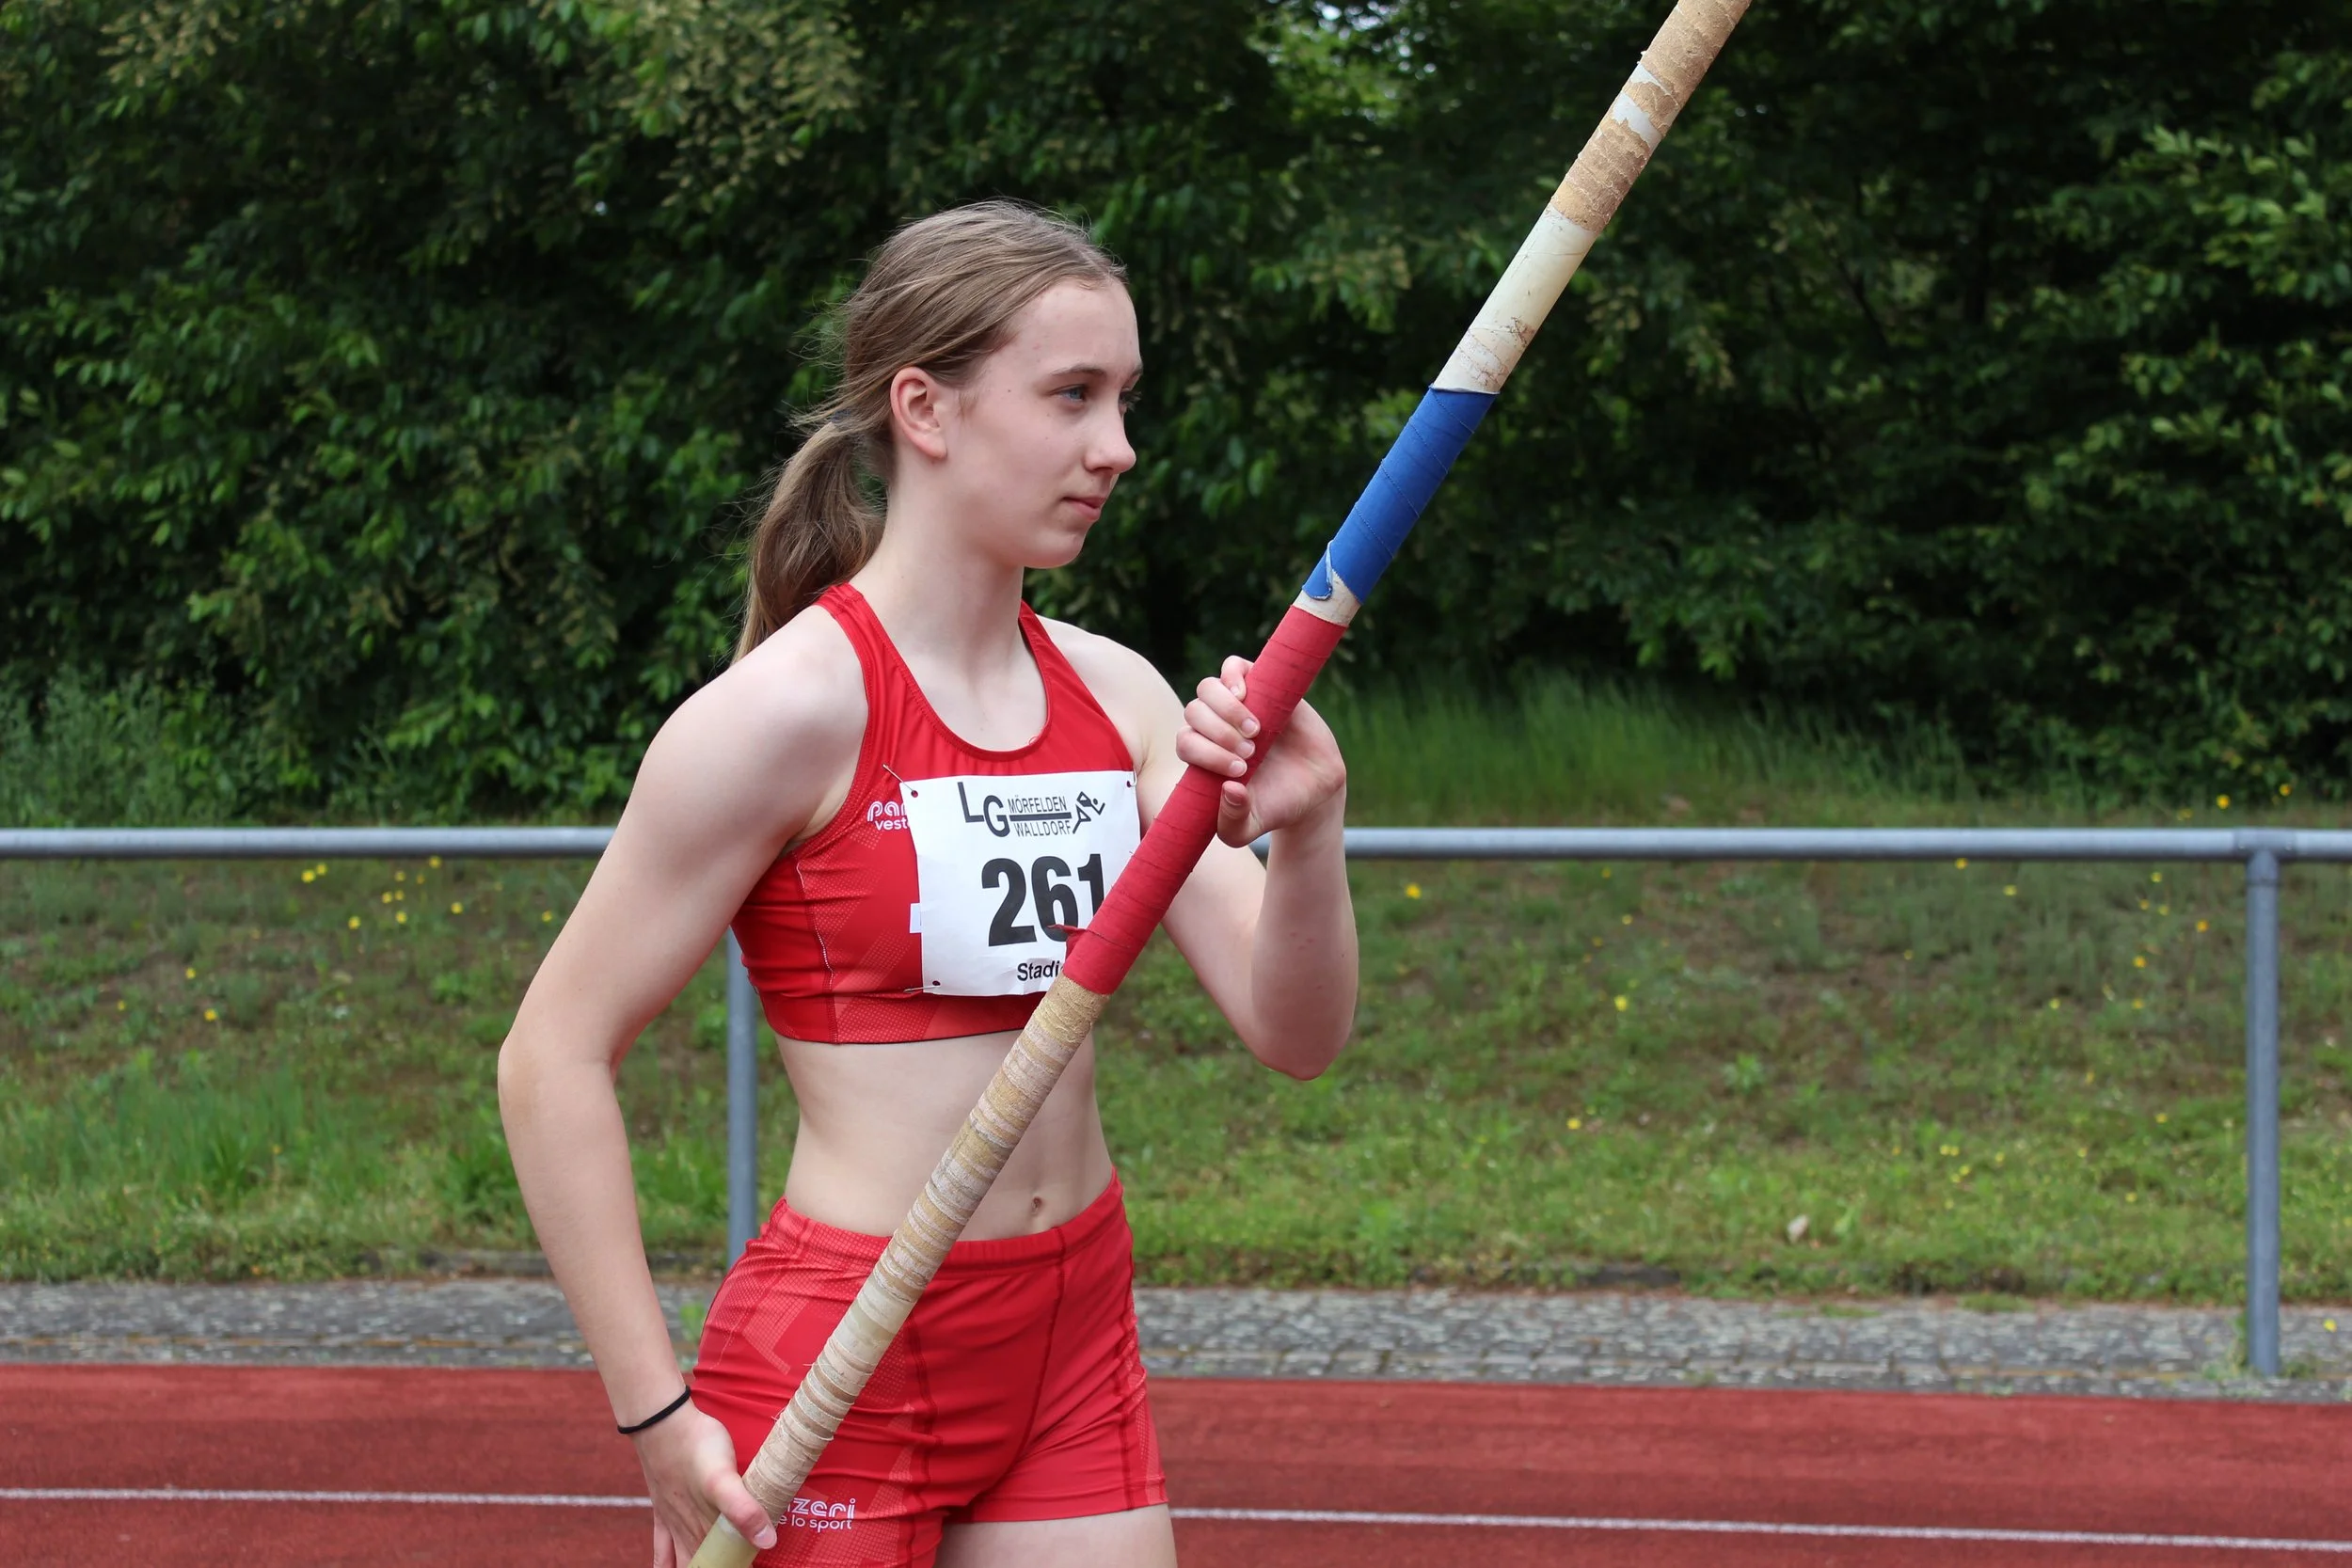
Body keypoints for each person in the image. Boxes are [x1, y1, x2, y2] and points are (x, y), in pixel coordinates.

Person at [499, 199, 1358, 1568]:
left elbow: (1295, 1033)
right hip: (850, 1347)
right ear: (925, 409)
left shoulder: (1122, 697)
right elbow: (550, 1056)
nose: (1117, 446)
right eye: (1071, 395)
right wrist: (655, 1414)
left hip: (1072, 1323)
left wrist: (1309, 838)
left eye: (1124, 398)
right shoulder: (783, 715)